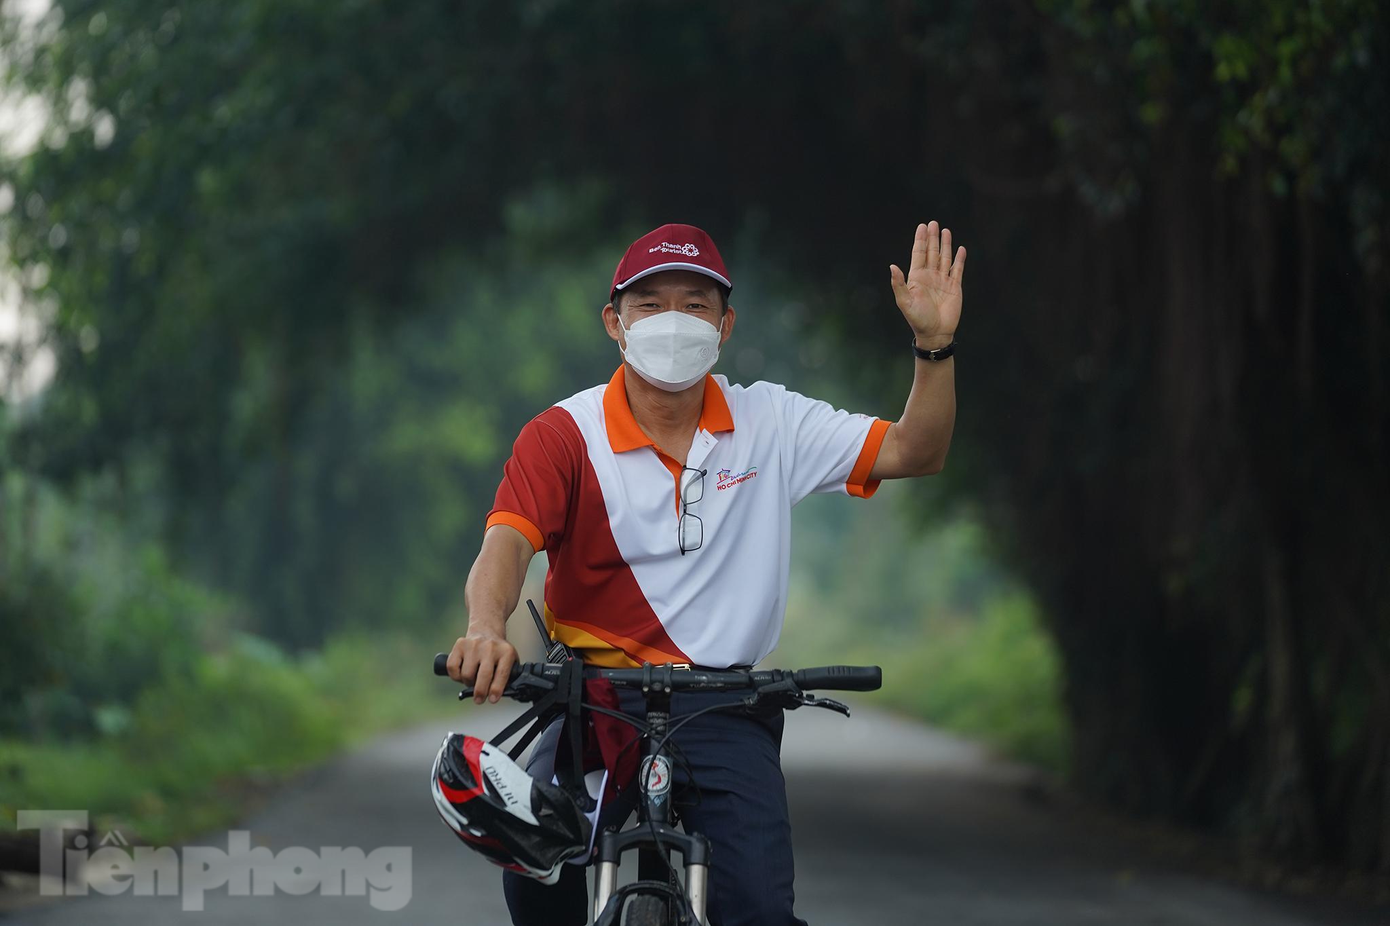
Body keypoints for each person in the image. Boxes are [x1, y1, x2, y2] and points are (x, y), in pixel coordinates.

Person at [446, 220, 964, 925]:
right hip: (590, 702)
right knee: (538, 878)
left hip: (726, 707)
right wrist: (485, 629)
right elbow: (506, 543)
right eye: (650, 304)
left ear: (726, 324)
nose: (673, 322)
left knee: (757, 908)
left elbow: (917, 450)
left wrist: (934, 347)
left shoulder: (772, 422)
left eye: (695, 305)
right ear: (614, 322)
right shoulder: (564, 435)